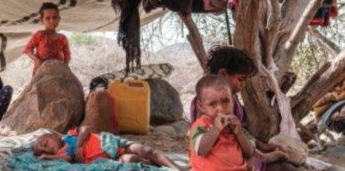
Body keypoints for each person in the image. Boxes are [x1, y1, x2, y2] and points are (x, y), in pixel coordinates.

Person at [190, 46, 297, 171]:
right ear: (223, 74)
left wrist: (259, 144)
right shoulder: (204, 107)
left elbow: (239, 131)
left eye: (225, 101)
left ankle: (267, 157)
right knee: (278, 167)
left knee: (281, 166)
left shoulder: (232, 101)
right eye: (240, 79)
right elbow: (201, 146)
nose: (242, 85)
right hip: (218, 162)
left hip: (236, 153)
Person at [33, 126, 181, 170]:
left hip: (114, 144)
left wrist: (79, 144)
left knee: (148, 151)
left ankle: (177, 169)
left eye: (45, 144)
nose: (47, 149)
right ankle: (157, 166)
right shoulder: (62, 153)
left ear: (53, 135)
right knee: (132, 160)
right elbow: (68, 158)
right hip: (114, 157)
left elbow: (86, 129)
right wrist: (49, 157)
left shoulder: (70, 135)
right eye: (44, 151)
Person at [188, 75, 254, 171]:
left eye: (225, 101)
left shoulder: (234, 124)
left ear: (233, 101)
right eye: (212, 104)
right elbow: (200, 150)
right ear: (201, 106)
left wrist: (239, 134)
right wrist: (215, 129)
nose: (221, 109)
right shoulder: (201, 125)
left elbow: (250, 152)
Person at [23, 2, 71, 76]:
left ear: (59, 19)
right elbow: (27, 49)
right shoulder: (39, 35)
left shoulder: (62, 38)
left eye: (54, 17)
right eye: (48, 18)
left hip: (57, 74)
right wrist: (37, 61)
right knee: (35, 88)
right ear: (42, 20)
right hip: (40, 73)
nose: (51, 21)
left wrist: (64, 67)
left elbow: (67, 55)